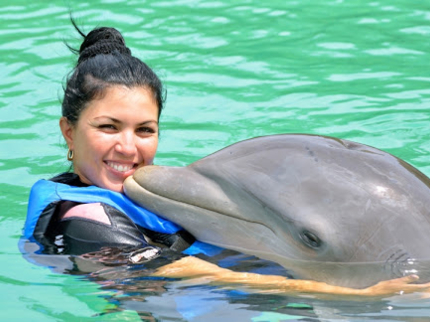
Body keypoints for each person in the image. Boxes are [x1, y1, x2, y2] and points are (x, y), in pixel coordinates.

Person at [23, 22, 430, 298]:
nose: (129, 148)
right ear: (68, 132)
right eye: (108, 127)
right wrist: (360, 295)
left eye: (145, 130)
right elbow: (166, 275)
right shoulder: (80, 218)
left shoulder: (144, 200)